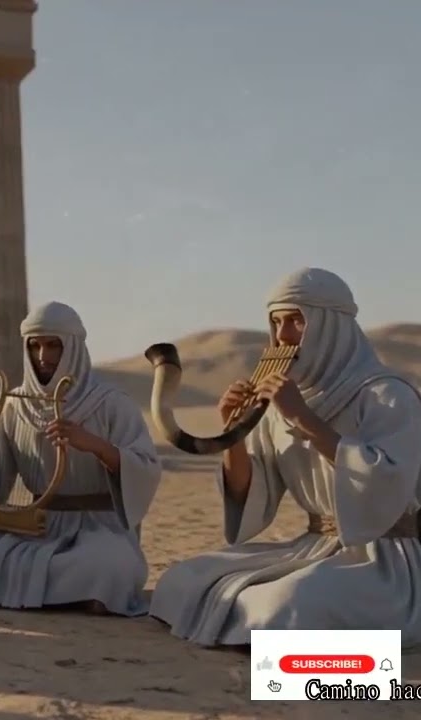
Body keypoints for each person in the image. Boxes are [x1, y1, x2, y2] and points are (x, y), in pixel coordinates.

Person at [149, 267, 421, 647]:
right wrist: (236, 432)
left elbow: (385, 485)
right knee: (184, 580)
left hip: (385, 558)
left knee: (284, 604)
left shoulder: (387, 394)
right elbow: (254, 491)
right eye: (276, 322)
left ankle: (358, 672)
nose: (282, 336)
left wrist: (304, 419)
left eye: (296, 321)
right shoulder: (279, 400)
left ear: (330, 325)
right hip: (314, 545)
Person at [0, 301, 163, 615]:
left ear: (73, 348)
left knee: (106, 567)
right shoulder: (16, 405)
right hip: (31, 526)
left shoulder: (111, 404)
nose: (43, 357)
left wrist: (94, 445)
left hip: (99, 530)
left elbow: (145, 468)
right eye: (34, 346)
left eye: (52, 346)